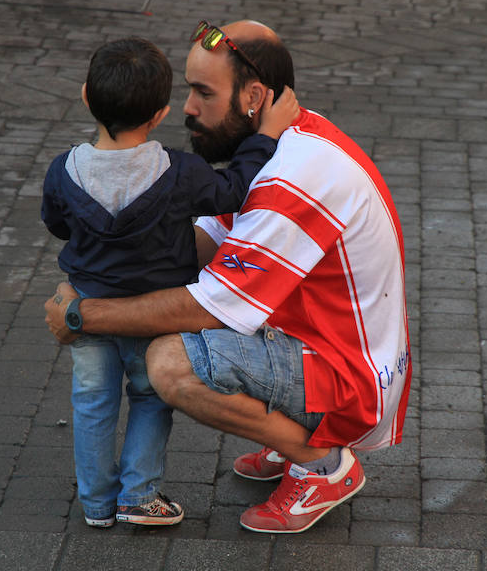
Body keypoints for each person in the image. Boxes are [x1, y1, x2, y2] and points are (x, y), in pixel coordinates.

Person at [44, 20, 411, 534]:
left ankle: (322, 464)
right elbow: (204, 245)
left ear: (254, 96)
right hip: (312, 346)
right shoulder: (284, 137)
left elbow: (211, 305)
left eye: (203, 92)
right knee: (172, 345)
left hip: (349, 381)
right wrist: (115, 264)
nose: (189, 108)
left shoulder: (294, 178)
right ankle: (283, 436)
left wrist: (85, 313)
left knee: (170, 364)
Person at [41, 36, 299, 529]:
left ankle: (96, 505)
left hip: (90, 307)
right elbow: (236, 187)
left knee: (92, 402)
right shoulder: (180, 172)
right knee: (147, 398)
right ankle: (138, 495)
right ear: (160, 113)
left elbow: (57, 223)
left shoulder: (63, 171)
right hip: (152, 315)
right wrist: (265, 136)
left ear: (86, 97)